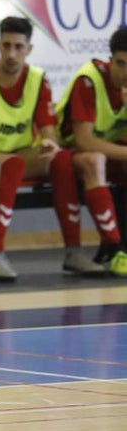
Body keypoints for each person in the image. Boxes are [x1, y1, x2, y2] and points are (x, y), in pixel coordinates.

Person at [0, 16, 108, 280]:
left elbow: (46, 130)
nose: (11, 54)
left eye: (18, 47)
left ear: (29, 49)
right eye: (6, 46)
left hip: (16, 154)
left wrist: (49, 143)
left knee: (61, 158)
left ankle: (73, 252)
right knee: (10, 165)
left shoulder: (38, 79)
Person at [54, 26, 127, 277]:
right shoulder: (89, 80)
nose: (125, 72)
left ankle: (113, 248)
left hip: (110, 152)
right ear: (110, 61)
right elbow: (84, 141)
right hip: (65, 151)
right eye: (121, 64)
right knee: (95, 160)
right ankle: (116, 248)